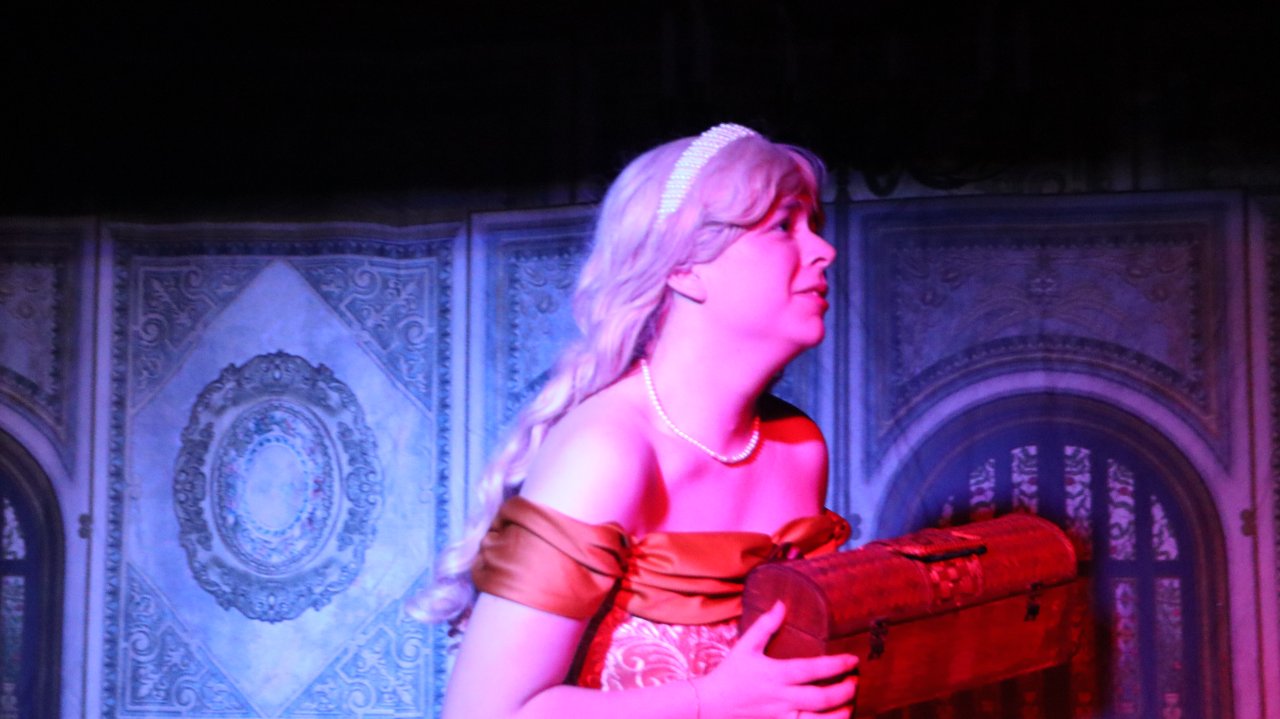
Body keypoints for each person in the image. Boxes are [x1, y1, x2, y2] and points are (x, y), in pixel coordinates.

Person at [413, 123, 859, 719]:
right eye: (783, 226)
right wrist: (711, 702)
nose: (824, 251)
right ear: (684, 266)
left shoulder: (798, 448)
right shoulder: (607, 452)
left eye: (813, 225)